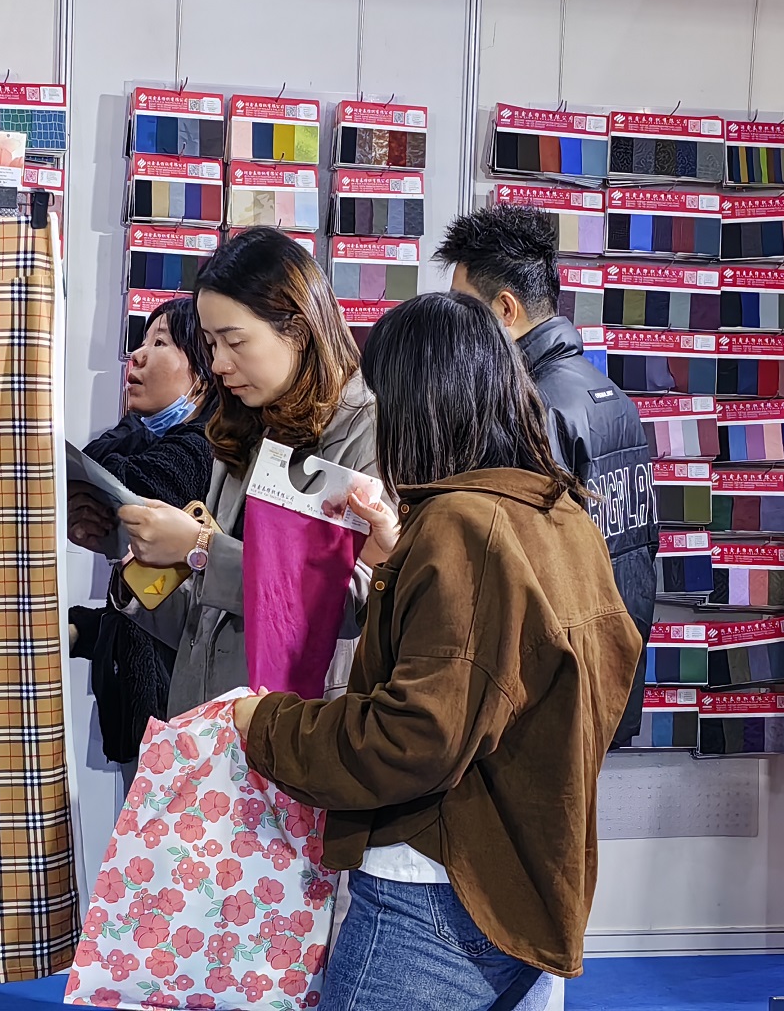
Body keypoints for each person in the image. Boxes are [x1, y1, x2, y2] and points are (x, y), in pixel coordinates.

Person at [232, 293, 642, 1011]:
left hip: (433, 892)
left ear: (418, 405)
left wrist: (266, 725)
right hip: (521, 879)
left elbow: (413, 735)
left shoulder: (462, 525)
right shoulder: (560, 514)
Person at [113, 226, 381, 717]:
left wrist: (200, 549)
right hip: (208, 729)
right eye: (210, 344)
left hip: (298, 725)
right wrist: (137, 568)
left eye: (234, 341)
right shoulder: (242, 427)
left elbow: (353, 604)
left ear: (297, 329)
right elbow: (205, 626)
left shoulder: (365, 426)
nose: (218, 364)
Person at [435, 204, 657, 748]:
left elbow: (524, 570)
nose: (460, 328)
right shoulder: (613, 398)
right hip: (609, 668)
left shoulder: (529, 407)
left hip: (553, 693)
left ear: (505, 309)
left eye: (466, 309)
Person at [68, 299, 216, 785]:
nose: (138, 355)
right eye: (142, 340)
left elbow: (116, 475)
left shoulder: (203, 447)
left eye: (161, 342)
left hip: (183, 723)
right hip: (153, 721)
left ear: (203, 372)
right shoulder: (156, 439)